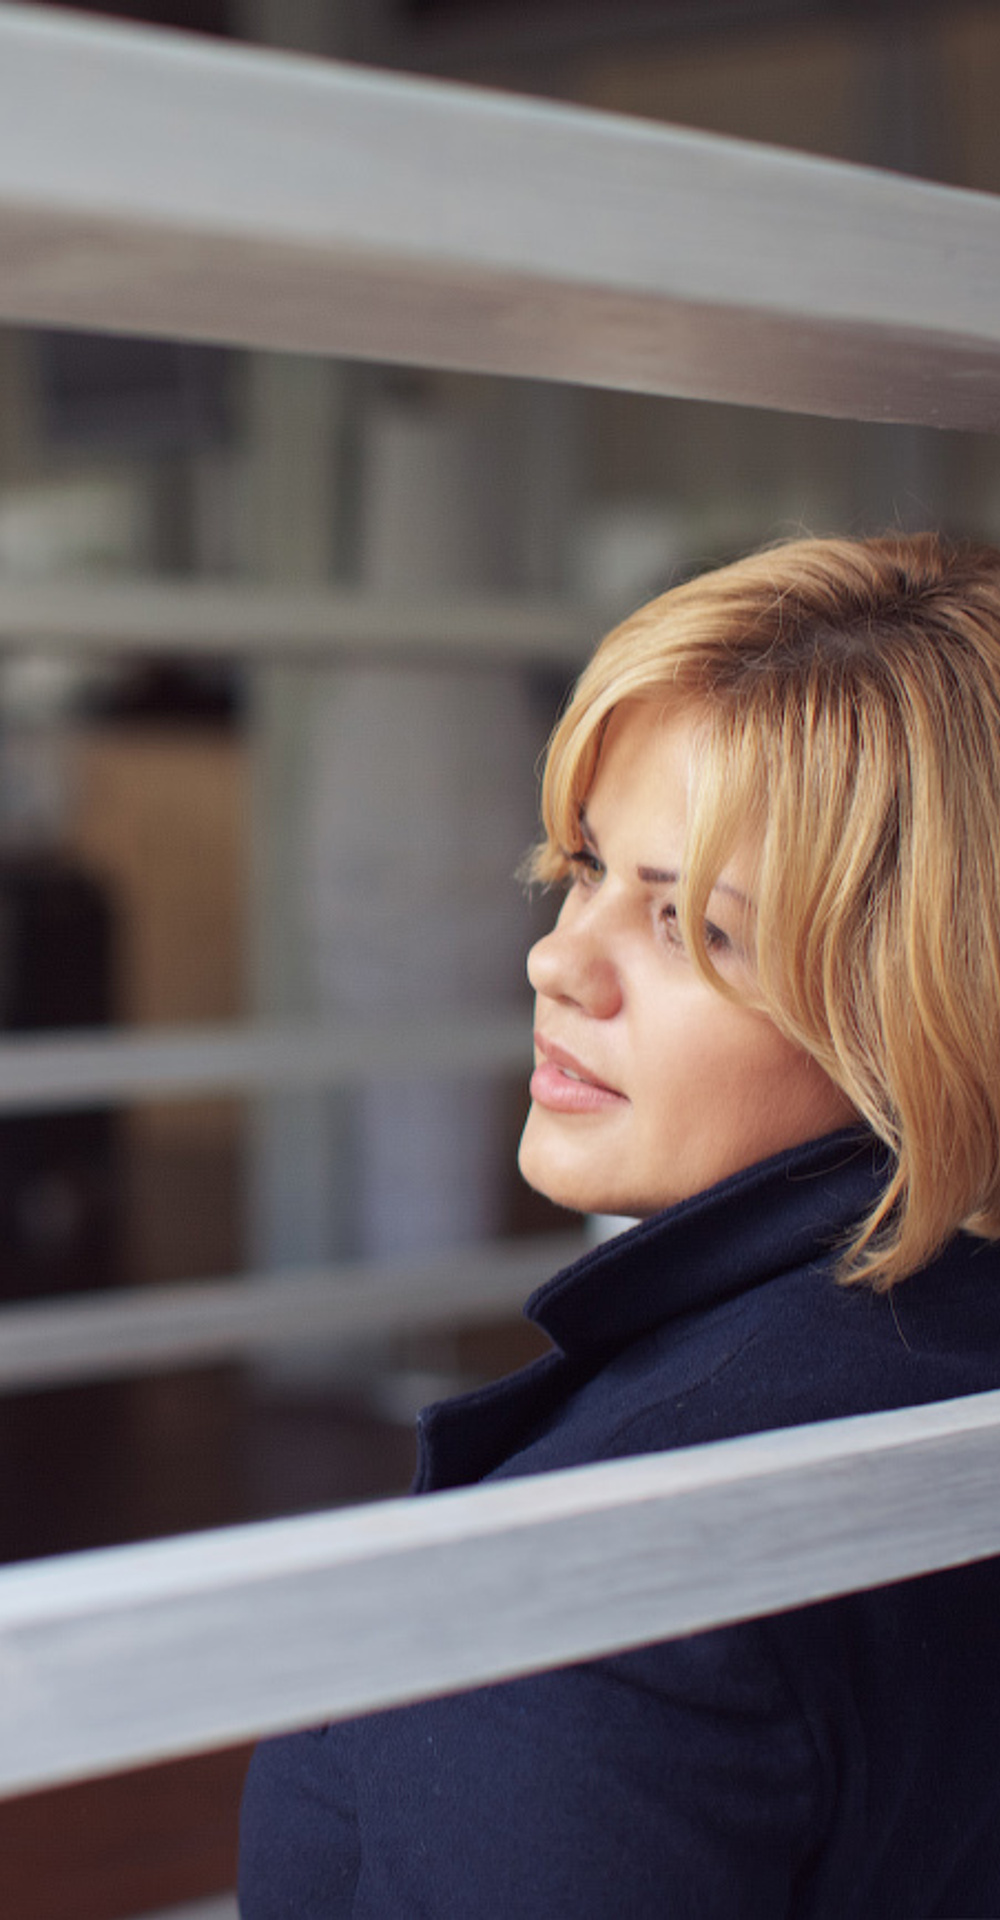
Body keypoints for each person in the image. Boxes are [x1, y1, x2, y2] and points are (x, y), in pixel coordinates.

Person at [240, 532, 1000, 1917]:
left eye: (690, 926)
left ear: (920, 998)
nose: (554, 958)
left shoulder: (604, 1590)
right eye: (582, 870)